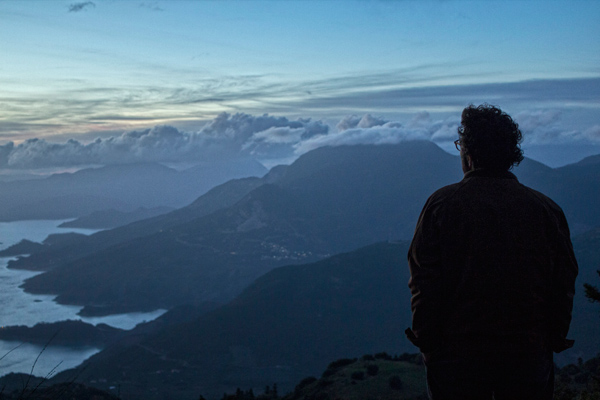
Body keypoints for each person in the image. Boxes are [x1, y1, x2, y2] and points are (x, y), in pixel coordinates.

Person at [405, 104, 578, 400]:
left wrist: (427, 341)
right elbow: (563, 282)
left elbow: (424, 280)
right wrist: (553, 337)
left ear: (469, 155)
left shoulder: (442, 205)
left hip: (457, 356)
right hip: (528, 353)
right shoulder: (545, 210)